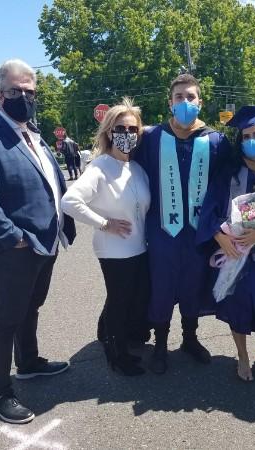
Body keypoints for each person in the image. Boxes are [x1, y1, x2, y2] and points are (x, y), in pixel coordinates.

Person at [0, 59, 76, 424]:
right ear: (0, 94)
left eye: (29, 91)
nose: (23, 97)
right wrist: (13, 238)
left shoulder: (34, 135)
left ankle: (28, 363)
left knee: (31, 307)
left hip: (46, 242)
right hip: (15, 249)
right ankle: (0, 392)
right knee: (6, 319)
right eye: (15, 91)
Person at [135, 73, 231, 374]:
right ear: (170, 103)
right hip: (162, 231)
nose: (185, 102)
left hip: (199, 232)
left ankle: (190, 339)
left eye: (191, 97)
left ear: (200, 102)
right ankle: (160, 345)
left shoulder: (215, 141)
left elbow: (225, 186)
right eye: (179, 98)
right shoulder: (151, 138)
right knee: (162, 290)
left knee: (192, 287)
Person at [197, 106, 255, 381]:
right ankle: (243, 355)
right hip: (234, 250)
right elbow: (209, 210)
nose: (251, 140)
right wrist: (219, 236)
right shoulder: (228, 173)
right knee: (237, 305)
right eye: (246, 136)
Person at [61, 99, 150, 376]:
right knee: (120, 300)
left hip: (139, 247)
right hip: (114, 250)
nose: (127, 134)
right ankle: (117, 354)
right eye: (121, 128)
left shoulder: (136, 168)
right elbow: (70, 202)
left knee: (128, 297)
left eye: (133, 129)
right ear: (110, 132)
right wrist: (104, 223)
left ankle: (109, 333)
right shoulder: (100, 167)